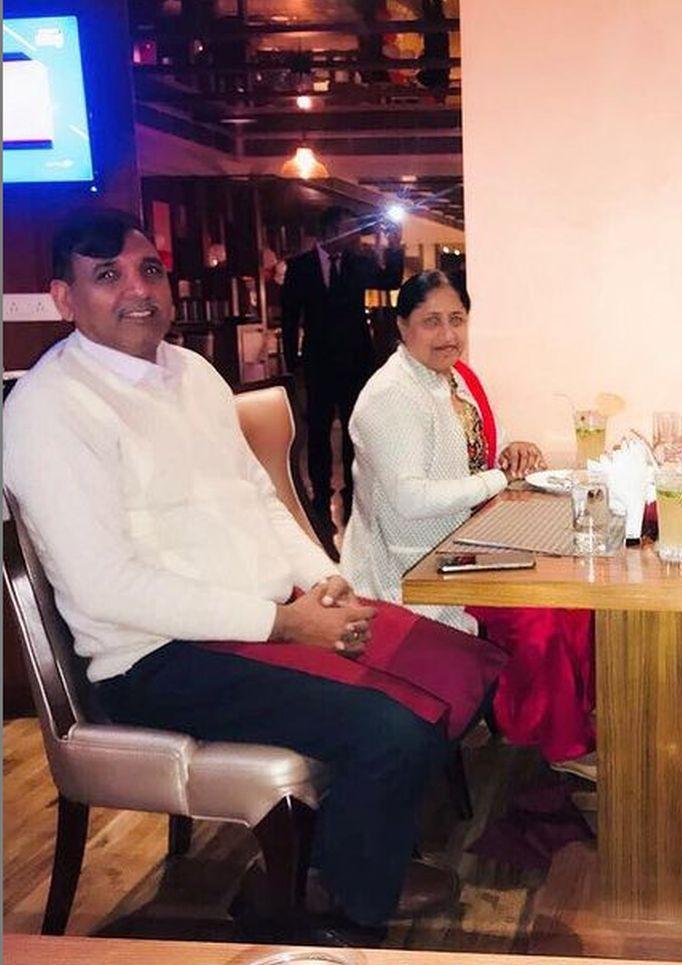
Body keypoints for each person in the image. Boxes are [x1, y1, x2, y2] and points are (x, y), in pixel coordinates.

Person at [3, 209, 501, 946]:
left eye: (149, 270)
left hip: (267, 615)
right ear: (64, 299)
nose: (137, 290)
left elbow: (259, 500)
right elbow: (107, 587)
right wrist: (287, 622)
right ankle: (321, 905)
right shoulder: (48, 408)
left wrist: (326, 581)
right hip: (158, 656)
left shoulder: (193, 373)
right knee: (392, 728)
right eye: (106, 275)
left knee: (458, 662)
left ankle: (345, 852)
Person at [340, 270, 598, 773]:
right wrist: (498, 480)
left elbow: (463, 464)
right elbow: (412, 500)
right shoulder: (391, 396)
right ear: (402, 327)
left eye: (456, 319)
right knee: (538, 612)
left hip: (461, 542)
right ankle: (557, 741)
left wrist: (509, 456)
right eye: (430, 321)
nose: (447, 334)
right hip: (414, 567)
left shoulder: (454, 379)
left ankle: (569, 722)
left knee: (571, 593)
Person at [281, 205, 404, 534]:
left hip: (356, 360)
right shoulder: (301, 268)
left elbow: (390, 280)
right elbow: (290, 318)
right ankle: (320, 497)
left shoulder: (358, 262)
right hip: (318, 362)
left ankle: (354, 493)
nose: (353, 234)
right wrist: (292, 364)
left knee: (354, 428)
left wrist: (393, 245)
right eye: (348, 228)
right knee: (318, 433)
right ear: (329, 231)